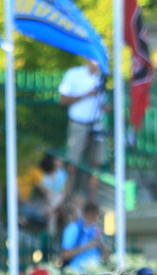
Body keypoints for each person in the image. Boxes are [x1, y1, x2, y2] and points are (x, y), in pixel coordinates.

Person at [59, 59, 107, 195]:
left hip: (96, 124)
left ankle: (92, 199)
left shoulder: (101, 78)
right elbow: (62, 100)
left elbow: (100, 106)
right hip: (78, 124)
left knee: (95, 164)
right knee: (72, 163)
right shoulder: (74, 75)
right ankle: (68, 196)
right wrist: (86, 94)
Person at [61, 197, 108, 271]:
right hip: (76, 272)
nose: (96, 220)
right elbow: (65, 255)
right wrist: (87, 246)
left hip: (94, 272)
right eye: (94, 216)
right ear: (87, 214)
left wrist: (101, 242)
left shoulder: (96, 229)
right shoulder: (73, 228)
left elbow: (106, 256)